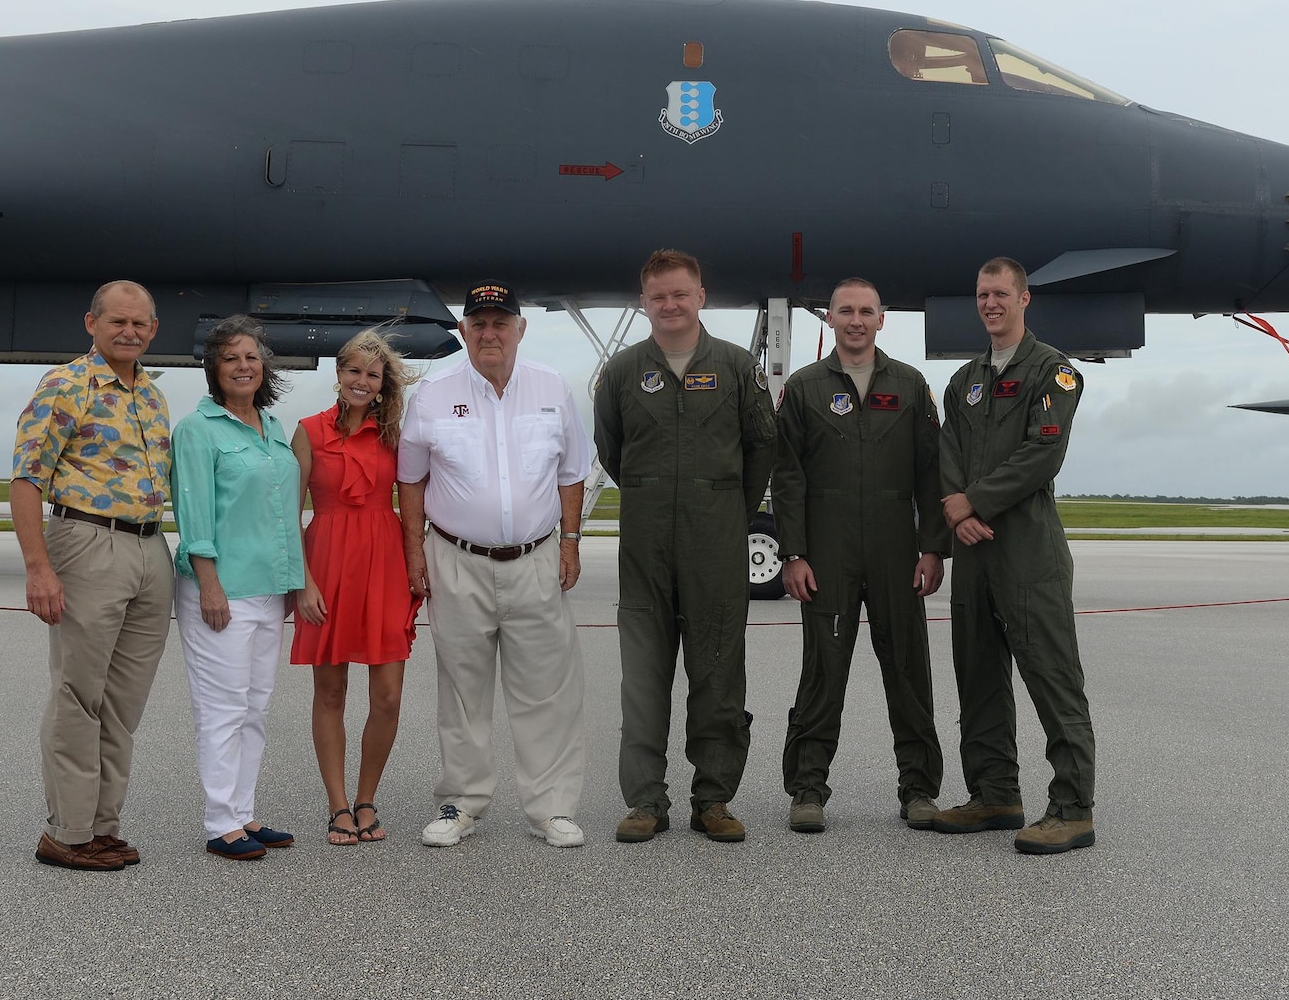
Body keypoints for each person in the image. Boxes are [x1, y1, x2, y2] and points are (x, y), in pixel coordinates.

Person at [397, 281, 592, 849]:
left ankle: (552, 808)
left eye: (500, 323)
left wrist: (571, 542)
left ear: (519, 330)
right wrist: (415, 552)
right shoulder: (432, 394)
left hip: (536, 559)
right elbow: (411, 480)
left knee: (548, 692)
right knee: (462, 690)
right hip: (456, 559)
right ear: (463, 331)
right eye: (478, 323)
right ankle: (461, 803)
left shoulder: (552, 388)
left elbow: (572, 471)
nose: (489, 333)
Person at [593, 249, 776, 843]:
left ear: (701, 296)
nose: (669, 305)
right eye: (657, 297)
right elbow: (613, 451)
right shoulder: (622, 372)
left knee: (718, 678)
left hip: (716, 547)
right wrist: (654, 497)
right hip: (645, 550)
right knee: (643, 683)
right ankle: (646, 801)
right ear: (643, 302)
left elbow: (761, 448)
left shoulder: (736, 365)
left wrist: (723, 507)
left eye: (680, 294)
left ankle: (714, 798)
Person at [772, 278, 950, 834]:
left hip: (898, 548)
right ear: (829, 319)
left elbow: (931, 472)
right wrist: (793, 554)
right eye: (845, 311)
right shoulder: (803, 388)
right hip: (827, 548)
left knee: (908, 669)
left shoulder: (912, 385)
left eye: (865, 311)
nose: (855, 320)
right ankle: (807, 789)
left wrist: (933, 547)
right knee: (823, 672)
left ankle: (919, 789)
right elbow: (789, 477)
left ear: (881, 320)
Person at [9, 280, 174, 872]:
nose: (129, 332)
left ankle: (103, 826)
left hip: (149, 547)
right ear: (91, 324)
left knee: (122, 701)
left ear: (154, 330)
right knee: (79, 695)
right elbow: (27, 478)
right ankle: (68, 831)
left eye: (140, 324)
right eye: (117, 322)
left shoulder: (151, 396)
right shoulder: (66, 385)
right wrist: (39, 569)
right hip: (87, 542)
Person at [935, 257, 1098, 855]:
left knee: (1052, 677)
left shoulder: (1052, 372)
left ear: (1024, 300)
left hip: (1027, 549)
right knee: (977, 676)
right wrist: (956, 510)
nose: (990, 303)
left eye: (1001, 293)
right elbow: (947, 449)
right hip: (973, 553)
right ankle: (995, 793)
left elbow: (1041, 456)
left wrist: (969, 503)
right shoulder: (964, 380)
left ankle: (1073, 806)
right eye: (982, 294)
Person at [169, 316, 307, 860]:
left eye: (251, 357)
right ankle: (219, 820)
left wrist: (293, 581)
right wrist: (208, 583)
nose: (243, 366)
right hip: (220, 589)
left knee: (255, 707)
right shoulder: (198, 429)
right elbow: (193, 512)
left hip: (268, 589)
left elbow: (281, 514)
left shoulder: (273, 428)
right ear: (214, 369)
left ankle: (244, 812)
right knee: (222, 708)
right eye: (231, 358)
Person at [291, 329, 420, 846]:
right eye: (353, 371)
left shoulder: (396, 434)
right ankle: (338, 805)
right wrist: (303, 582)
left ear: (382, 383)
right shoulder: (306, 431)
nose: (361, 381)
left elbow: (414, 500)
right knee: (331, 691)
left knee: (388, 695)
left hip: (383, 562)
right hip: (326, 562)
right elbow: (288, 512)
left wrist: (417, 565)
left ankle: (368, 798)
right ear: (339, 375)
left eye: (372, 374)